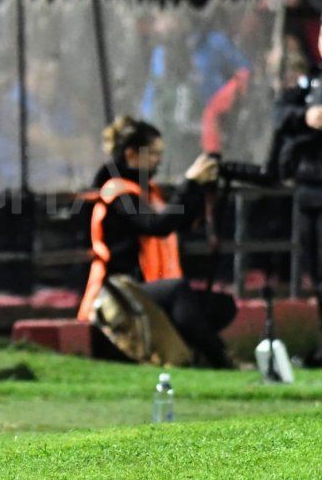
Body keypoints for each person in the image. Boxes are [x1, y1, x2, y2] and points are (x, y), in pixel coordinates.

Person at [78, 116, 238, 368]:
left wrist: (201, 189)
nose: (158, 161)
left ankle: (190, 355)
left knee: (221, 305)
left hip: (144, 294)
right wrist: (189, 183)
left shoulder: (147, 192)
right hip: (115, 298)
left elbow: (179, 222)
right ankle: (221, 361)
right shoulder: (115, 192)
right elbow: (156, 225)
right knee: (178, 292)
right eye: (152, 154)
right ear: (131, 154)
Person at [271, 26, 322, 366]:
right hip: (309, 189)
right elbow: (279, 115)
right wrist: (307, 117)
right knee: (316, 275)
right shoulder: (310, 84)